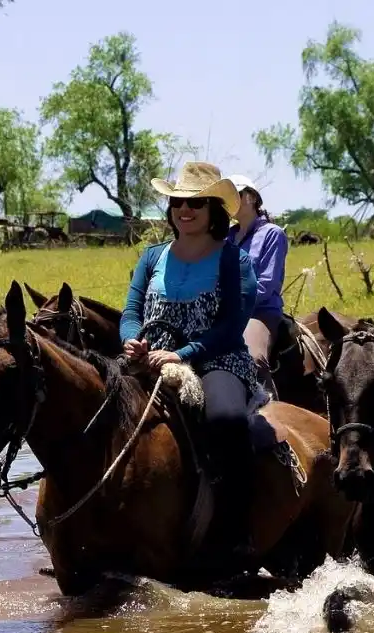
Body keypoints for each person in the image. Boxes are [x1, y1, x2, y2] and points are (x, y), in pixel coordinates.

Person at [119, 160, 260, 556]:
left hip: (216, 360)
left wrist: (181, 354)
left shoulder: (234, 260)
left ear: (214, 210)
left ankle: (236, 532)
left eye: (195, 203)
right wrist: (131, 341)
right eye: (178, 202)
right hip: (149, 357)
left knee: (226, 420)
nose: (184, 209)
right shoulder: (152, 257)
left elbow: (231, 326)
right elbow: (131, 312)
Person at [226, 174, 289, 398]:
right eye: (226, 197)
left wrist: (231, 303)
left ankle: (271, 410)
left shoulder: (272, 234)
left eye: (236, 194)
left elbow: (267, 284)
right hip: (225, 312)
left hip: (260, 312)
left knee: (252, 357)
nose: (231, 201)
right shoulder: (226, 237)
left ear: (252, 198)